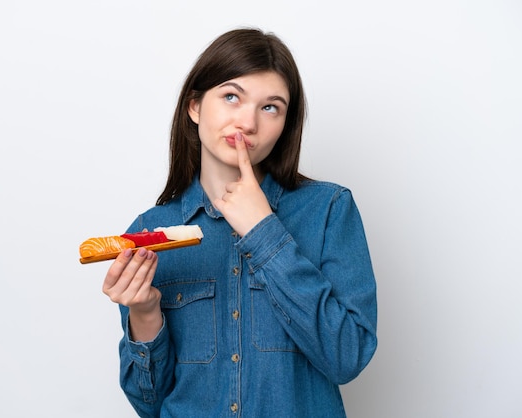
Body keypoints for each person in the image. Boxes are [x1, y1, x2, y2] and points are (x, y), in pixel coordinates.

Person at [102, 27, 377, 417]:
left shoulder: (330, 210)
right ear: (194, 106)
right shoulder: (151, 233)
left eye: (270, 107)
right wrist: (145, 314)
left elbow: (347, 358)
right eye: (231, 97)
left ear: (285, 124)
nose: (248, 122)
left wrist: (264, 230)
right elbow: (150, 404)